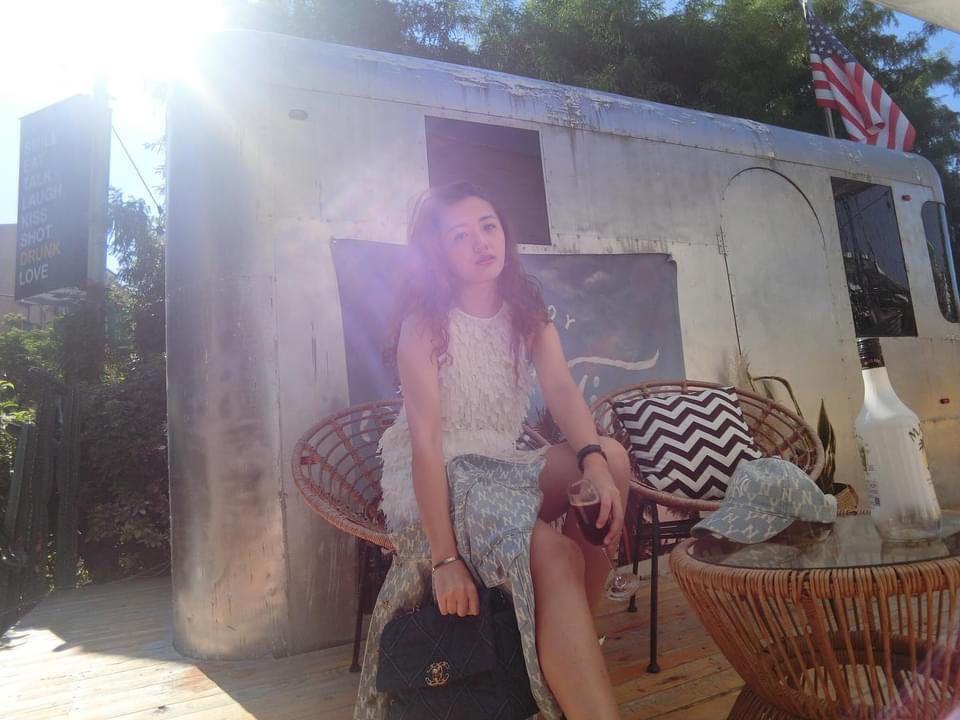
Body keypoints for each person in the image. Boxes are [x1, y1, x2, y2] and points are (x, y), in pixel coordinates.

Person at [375, 181, 631, 720]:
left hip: (500, 465)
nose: (481, 242)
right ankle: (573, 674)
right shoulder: (424, 326)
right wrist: (445, 559)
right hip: (443, 473)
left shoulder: (526, 314)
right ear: (438, 254)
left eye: (488, 226)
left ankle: (565, 642)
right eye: (460, 236)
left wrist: (594, 464)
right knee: (555, 554)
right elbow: (425, 443)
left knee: (611, 456)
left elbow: (561, 391)